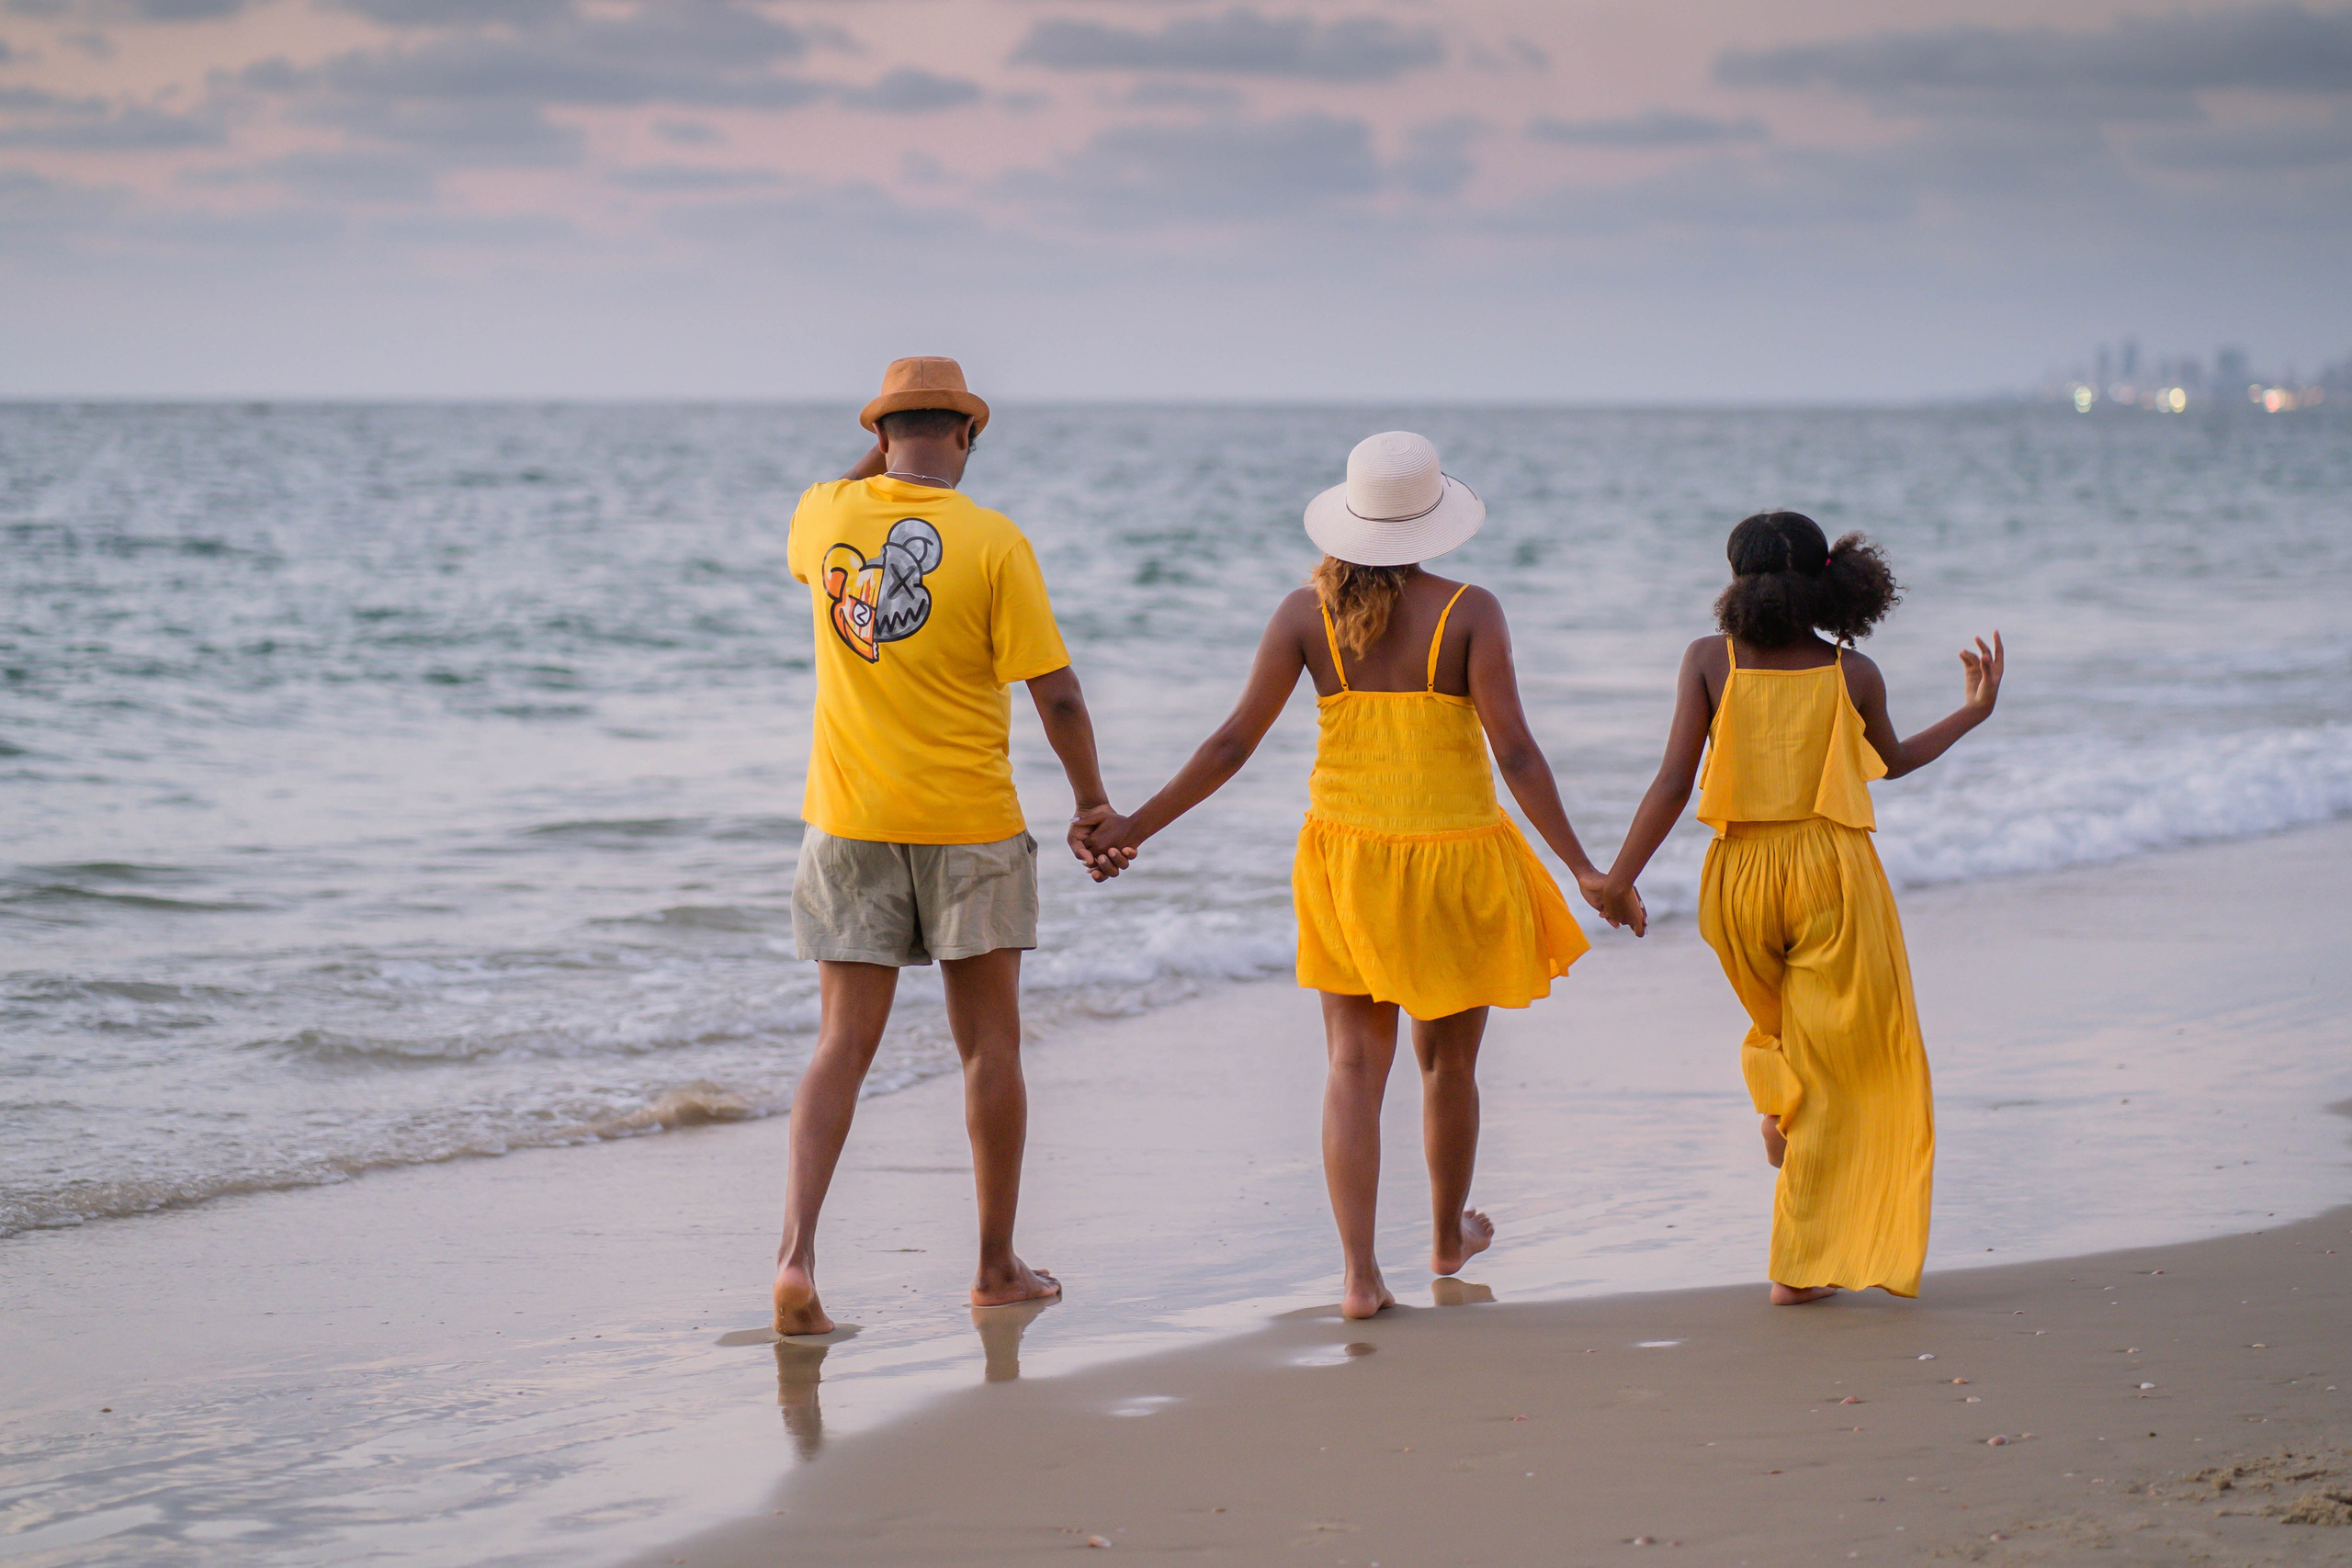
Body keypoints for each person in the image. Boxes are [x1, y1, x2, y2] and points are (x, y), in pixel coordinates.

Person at [1082, 432, 1613, 1319]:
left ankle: (1361, 1277)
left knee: (1352, 1067)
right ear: (1434, 522)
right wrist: (1584, 865)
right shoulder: (1470, 610)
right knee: (1448, 1065)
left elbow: (1229, 744)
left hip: (1347, 859)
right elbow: (1515, 751)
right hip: (1455, 859)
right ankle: (1447, 1236)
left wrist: (1136, 824)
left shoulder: (1304, 614)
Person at [773, 356, 1124, 1337]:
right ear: (967, 436)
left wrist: (876, 460)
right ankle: (993, 1266)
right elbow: (1055, 692)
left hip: (847, 825)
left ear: (881, 434)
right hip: (970, 826)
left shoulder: (822, 516)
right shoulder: (993, 539)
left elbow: (843, 494)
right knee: (989, 1050)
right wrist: (1093, 803)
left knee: (840, 1046)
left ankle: (796, 1258)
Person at [1597, 510, 2003, 1303]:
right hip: (1831, 874)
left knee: (1787, 1035)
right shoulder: (1854, 673)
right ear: (1832, 582)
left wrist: (1618, 878)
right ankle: (1800, 1264)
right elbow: (1895, 762)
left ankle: (1782, 1109)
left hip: (1738, 880)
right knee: (1859, 1066)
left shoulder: (1709, 661)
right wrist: (1973, 711)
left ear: (1736, 585)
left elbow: (1676, 782)